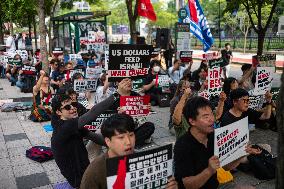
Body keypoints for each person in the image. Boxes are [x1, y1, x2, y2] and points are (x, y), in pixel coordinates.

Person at [174, 96, 258, 189]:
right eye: (206, 117)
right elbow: (187, 185)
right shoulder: (183, 146)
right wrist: (209, 171)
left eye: (211, 114)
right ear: (192, 121)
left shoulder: (214, 136)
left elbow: (227, 167)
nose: (212, 119)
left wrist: (241, 153)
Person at [50, 88, 125, 188]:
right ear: (59, 112)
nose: (73, 108)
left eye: (74, 104)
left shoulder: (71, 125)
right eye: (68, 107)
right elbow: (93, 112)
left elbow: (97, 139)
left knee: (102, 134)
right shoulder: (64, 127)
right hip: (79, 180)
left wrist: (118, 145)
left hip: (84, 163)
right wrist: (117, 95)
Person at [80, 113, 178, 189]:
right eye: (121, 137)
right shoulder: (95, 172)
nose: (128, 142)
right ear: (108, 141)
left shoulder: (144, 162)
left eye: (131, 135)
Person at [109, 78, 155, 147]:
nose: (129, 83)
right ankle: (134, 141)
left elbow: (142, 113)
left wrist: (147, 108)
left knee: (150, 126)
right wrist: (118, 114)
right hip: (120, 128)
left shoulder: (136, 95)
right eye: (126, 81)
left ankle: (130, 142)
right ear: (118, 83)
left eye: (130, 80)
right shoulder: (113, 98)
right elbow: (109, 120)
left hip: (134, 126)